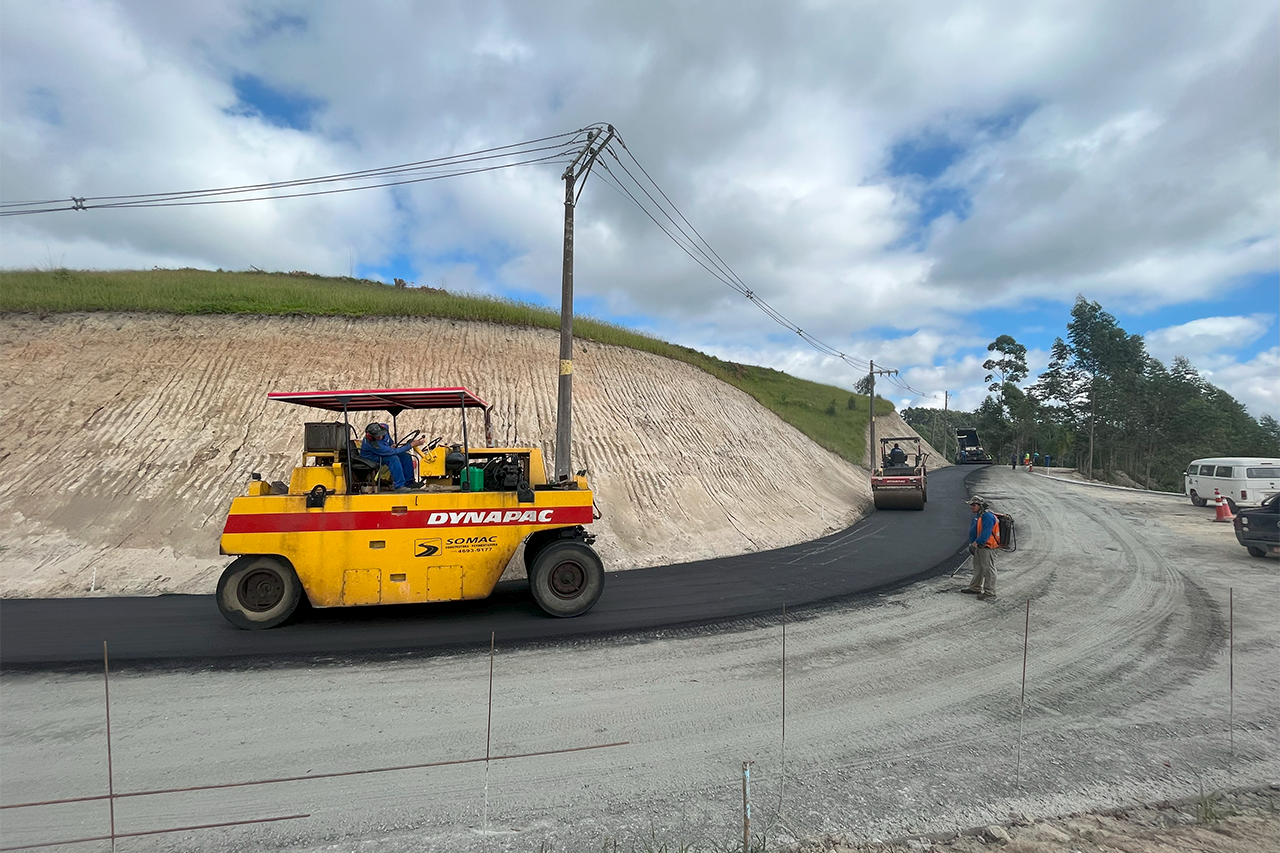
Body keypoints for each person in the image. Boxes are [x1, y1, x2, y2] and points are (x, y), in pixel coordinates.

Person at [360, 422, 425, 492]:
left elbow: (389, 440)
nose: (380, 437)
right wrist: (411, 445)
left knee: (405, 456)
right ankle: (399, 486)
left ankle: (409, 482)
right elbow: (393, 452)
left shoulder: (384, 428)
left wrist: (392, 444)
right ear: (372, 436)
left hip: (384, 451)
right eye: (377, 436)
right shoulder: (375, 445)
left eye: (381, 434)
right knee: (393, 459)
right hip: (371, 457)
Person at [961, 496, 1000, 600]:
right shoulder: (979, 516)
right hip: (979, 546)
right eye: (971, 505)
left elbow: (986, 533)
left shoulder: (988, 517)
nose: (971, 507)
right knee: (978, 568)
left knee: (988, 569)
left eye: (974, 505)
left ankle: (990, 593)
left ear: (980, 506)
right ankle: (975, 587)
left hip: (987, 547)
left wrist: (976, 543)